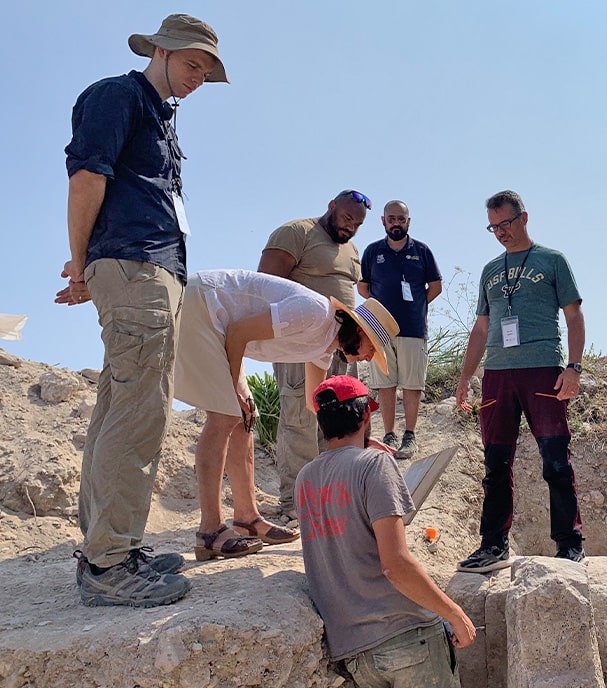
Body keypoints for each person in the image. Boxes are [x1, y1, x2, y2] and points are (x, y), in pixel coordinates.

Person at [55, 13, 227, 607]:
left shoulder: (162, 117)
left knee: (120, 406)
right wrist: (81, 265)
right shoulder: (117, 95)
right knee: (139, 412)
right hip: (134, 268)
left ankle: (111, 546)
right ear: (159, 50)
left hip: (150, 271)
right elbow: (86, 178)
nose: (199, 77)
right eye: (192, 63)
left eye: (206, 70)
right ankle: (108, 566)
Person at [172, 269, 398, 561]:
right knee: (226, 415)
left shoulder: (324, 345)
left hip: (222, 327)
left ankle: (246, 518)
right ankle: (210, 531)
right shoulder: (314, 313)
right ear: (360, 331)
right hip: (202, 306)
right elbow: (239, 332)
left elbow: (314, 404)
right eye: (372, 348)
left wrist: (362, 443)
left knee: (245, 418)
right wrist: (232, 391)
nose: (369, 357)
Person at [297, 375, 475, 686]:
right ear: (366, 415)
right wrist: (454, 614)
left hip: (355, 652)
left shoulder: (305, 479)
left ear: (322, 423)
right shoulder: (374, 464)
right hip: (407, 636)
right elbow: (395, 565)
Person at [454, 190, 586, 573]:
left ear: (524, 218)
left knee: (555, 459)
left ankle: (569, 544)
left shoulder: (552, 260)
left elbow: (574, 316)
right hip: (497, 374)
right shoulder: (490, 270)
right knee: (496, 463)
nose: (500, 233)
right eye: (493, 227)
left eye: (506, 223)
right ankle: (493, 546)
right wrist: (465, 377)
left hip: (542, 369)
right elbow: (481, 329)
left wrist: (573, 367)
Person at [258, 189, 369, 516]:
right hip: (298, 343)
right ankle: (296, 503)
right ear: (331, 206)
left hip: (341, 347)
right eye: (348, 218)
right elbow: (264, 285)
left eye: (358, 224)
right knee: (300, 417)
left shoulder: (351, 250)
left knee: (339, 419)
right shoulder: (296, 232)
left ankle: (331, 499)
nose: (351, 228)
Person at [359, 200, 443, 460]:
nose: (397, 222)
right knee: (385, 383)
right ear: (383, 221)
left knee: (411, 383)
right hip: (380, 330)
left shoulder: (422, 251)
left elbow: (435, 286)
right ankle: (389, 435)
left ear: (408, 221)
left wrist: (416, 305)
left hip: (413, 329)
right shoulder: (373, 251)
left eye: (401, 219)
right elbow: (363, 287)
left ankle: (410, 435)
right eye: (392, 218)